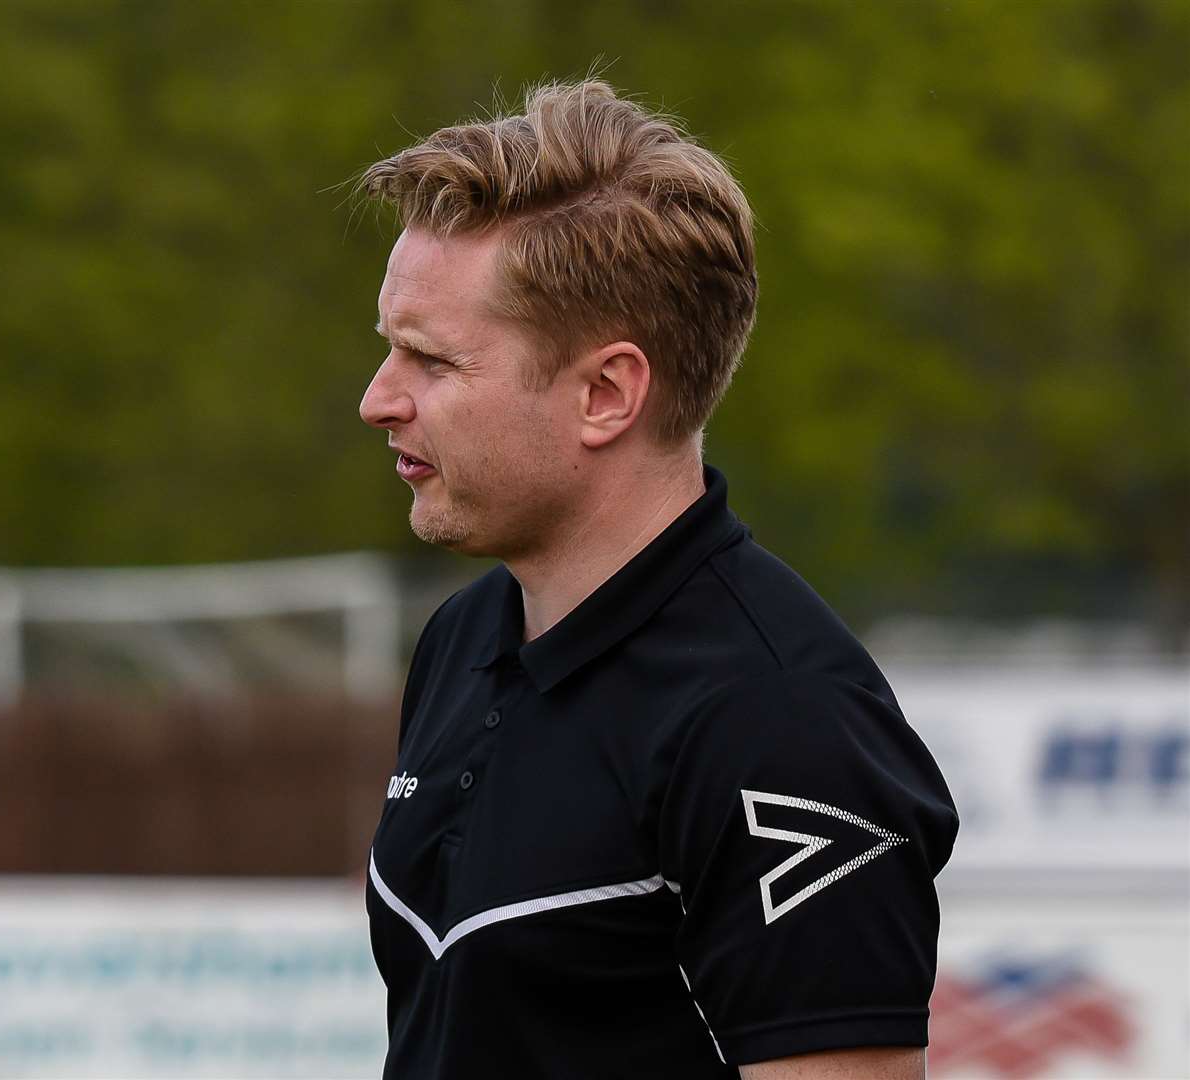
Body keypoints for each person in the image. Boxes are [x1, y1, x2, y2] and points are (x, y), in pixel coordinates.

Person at [355, 79, 958, 1080]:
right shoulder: (463, 642)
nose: (380, 400)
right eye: (389, 349)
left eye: (431, 362)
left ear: (606, 394)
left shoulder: (781, 725)